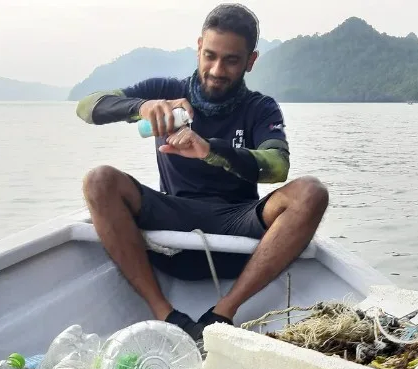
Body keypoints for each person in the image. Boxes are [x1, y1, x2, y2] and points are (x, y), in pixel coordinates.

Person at [77, 3, 329, 342]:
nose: (216, 69)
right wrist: (142, 106)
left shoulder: (260, 107)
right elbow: (87, 107)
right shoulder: (163, 90)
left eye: (231, 60)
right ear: (198, 47)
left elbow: (277, 166)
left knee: (311, 192)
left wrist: (211, 150)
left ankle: (224, 311)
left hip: (238, 224)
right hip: (173, 213)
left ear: (250, 61)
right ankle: (165, 313)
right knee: (99, 181)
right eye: (210, 55)